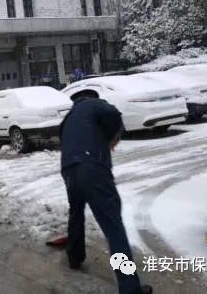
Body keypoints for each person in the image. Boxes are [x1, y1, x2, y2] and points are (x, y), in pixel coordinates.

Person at [59, 91, 152, 294]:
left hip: (69, 170)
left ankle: (74, 257)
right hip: (93, 169)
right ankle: (129, 288)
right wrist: (110, 138)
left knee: (76, 213)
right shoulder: (94, 105)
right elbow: (114, 114)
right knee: (114, 228)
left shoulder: (69, 118)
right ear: (93, 97)